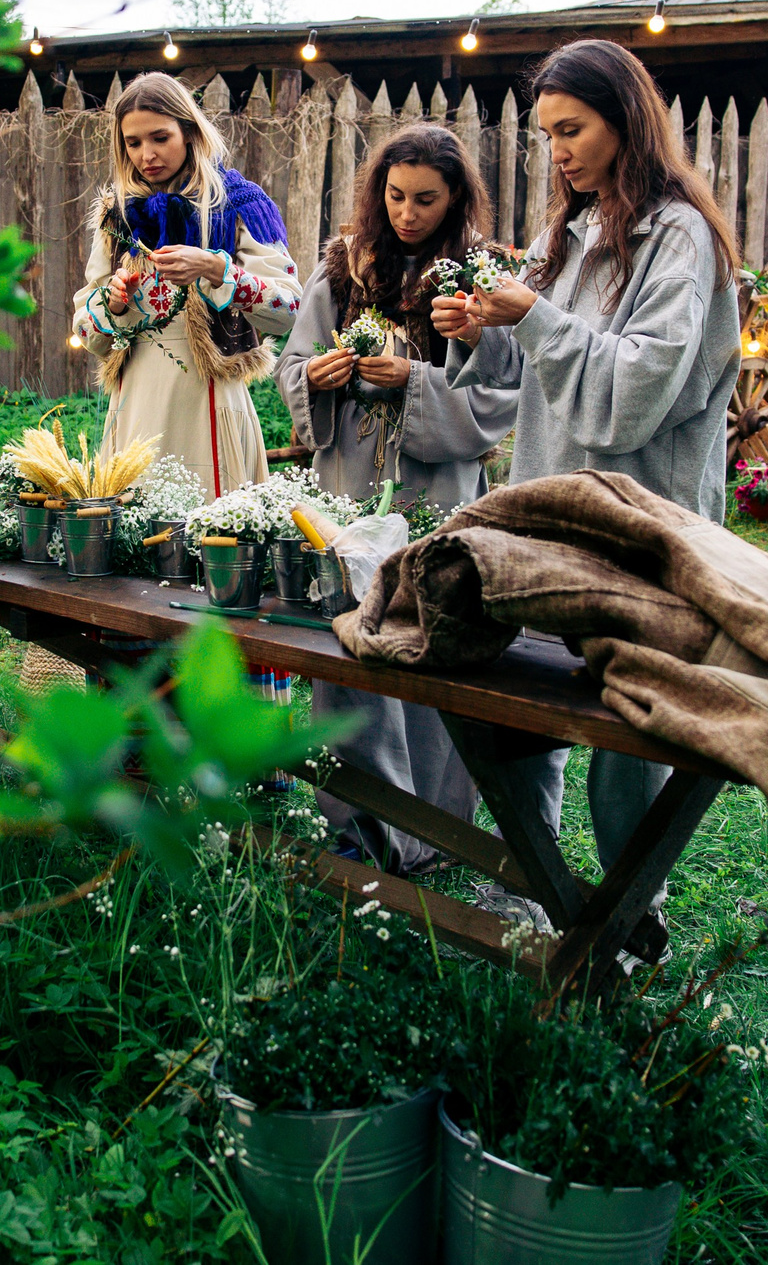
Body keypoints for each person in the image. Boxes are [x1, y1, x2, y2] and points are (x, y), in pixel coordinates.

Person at [431, 40, 742, 955]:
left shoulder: (678, 235)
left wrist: (528, 315)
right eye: (548, 134)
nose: (556, 150)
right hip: (551, 511)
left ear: (626, 120)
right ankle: (540, 884)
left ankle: (629, 916)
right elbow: (531, 367)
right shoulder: (564, 232)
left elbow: (634, 392)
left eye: (572, 129)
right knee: (513, 707)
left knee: (627, 733)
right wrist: (477, 331)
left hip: (641, 521)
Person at [279, 124, 516, 873]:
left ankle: (435, 827)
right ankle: (353, 817)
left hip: (436, 491)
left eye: (425, 199)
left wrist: (413, 380)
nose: (407, 213)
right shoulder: (345, 266)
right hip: (350, 484)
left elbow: (499, 396)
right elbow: (293, 358)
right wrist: (317, 375)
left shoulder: (475, 280)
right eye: (395, 196)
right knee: (350, 639)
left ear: (453, 200)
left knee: (428, 636)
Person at [72, 72, 300, 495]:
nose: (147, 154)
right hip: (136, 398)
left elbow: (288, 309)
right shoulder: (117, 215)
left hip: (209, 399)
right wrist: (114, 303)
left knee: (216, 540)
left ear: (190, 131)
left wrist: (217, 270)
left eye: (160, 137)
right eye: (133, 142)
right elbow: (85, 326)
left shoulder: (239, 203)